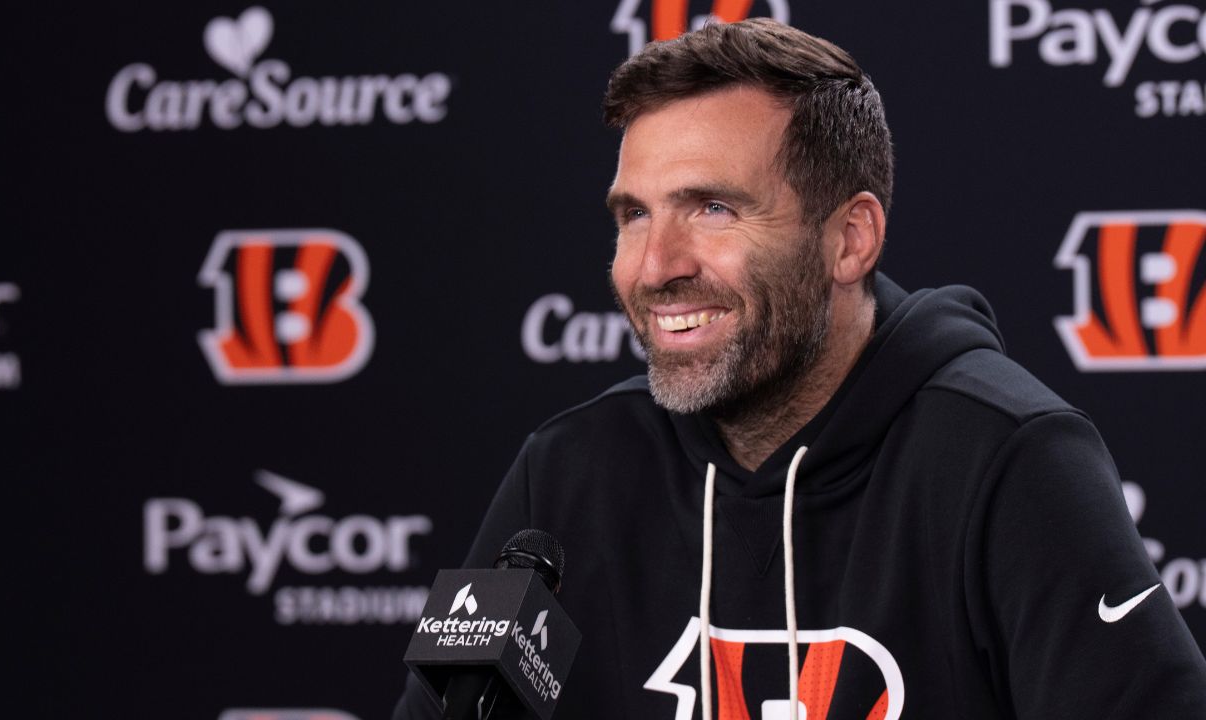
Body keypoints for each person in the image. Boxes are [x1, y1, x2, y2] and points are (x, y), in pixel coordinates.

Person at [394, 18, 1206, 719]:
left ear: (850, 239)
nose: (653, 266)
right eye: (634, 215)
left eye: (712, 207)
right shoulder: (568, 472)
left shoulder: (1010, 460)